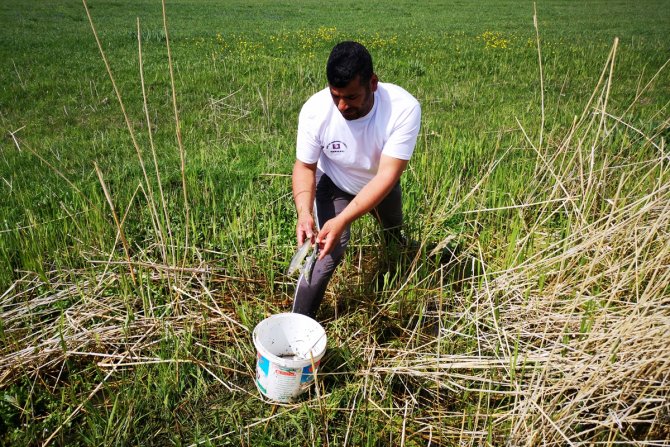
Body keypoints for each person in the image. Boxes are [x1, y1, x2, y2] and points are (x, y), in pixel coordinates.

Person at [291, 41, 421, 319]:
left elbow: (387, 176)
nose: (341, 105)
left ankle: (397, 263)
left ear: (373, 83)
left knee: (392, 229)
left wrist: (344, 219)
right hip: (335, 183)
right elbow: (304, 167)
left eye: (350, 97)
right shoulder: (315, 111)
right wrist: (304, 212)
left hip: (379, 186)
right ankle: (299, 324)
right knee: (325, 253)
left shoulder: (403, 108)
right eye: (335, 95)